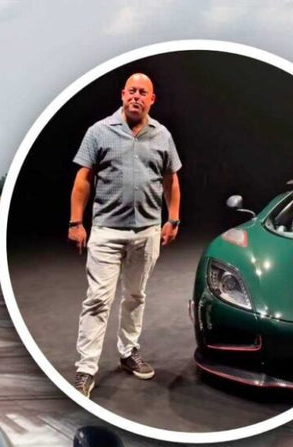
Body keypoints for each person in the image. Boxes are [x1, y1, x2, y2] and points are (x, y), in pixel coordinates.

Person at [67, 72, 181, 398]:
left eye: (143, 92)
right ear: (122, 94)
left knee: (135, 296)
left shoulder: (162, 135)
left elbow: (171, 179)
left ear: (151, 99)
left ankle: (128, 351)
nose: (136, 97)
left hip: (147, 231)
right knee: (97, 300)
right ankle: (86, 369)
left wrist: (173, 218)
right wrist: (76, 222)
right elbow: (83, 178)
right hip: (106, 231)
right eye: (132, 91)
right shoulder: (99, 131)